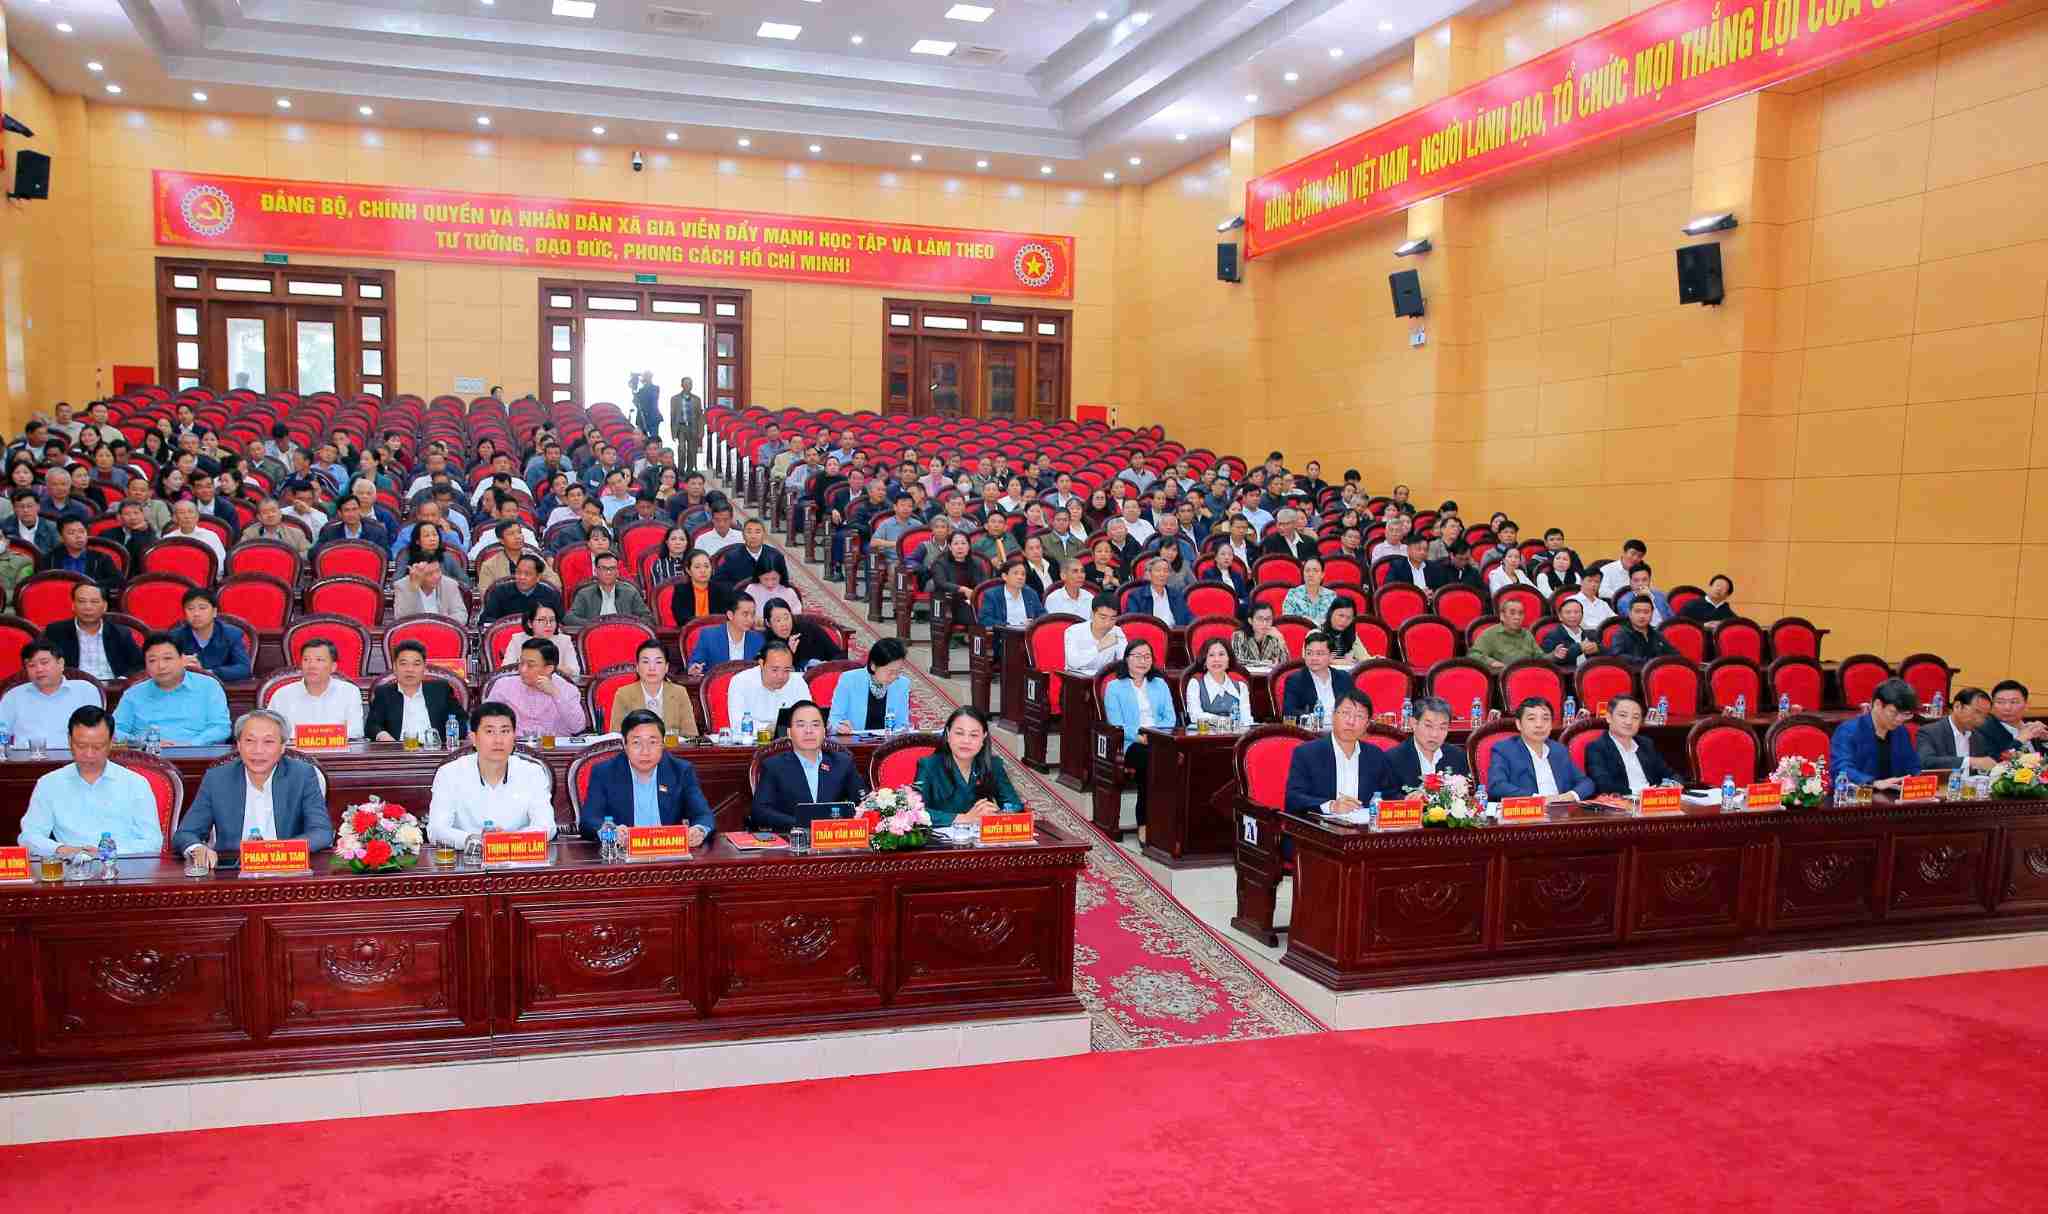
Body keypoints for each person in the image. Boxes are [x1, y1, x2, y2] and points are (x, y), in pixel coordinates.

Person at [172, 709, 333, 868]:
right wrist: (197, 848)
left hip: (287, 870)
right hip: (232, 874)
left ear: (283, 746)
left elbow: (321, 831)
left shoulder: (302, 775)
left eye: (268, 742)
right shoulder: (217, 778)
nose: (258, 750)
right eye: (250, 741)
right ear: (239, 745)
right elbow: (185, 834)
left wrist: (277, 852)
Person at [18, 705, 161, 858]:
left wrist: (106, 853)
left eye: (98, 746)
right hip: (72, 869)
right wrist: (62, 849)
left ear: (111, 742)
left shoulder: (135, 783)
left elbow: (152, 842)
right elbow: (29, 837)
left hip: (124, 868)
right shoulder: (50, 783)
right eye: (81, 746)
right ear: (69, 741)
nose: (89, 754)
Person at [427, 702, 560, 847]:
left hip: (518, 859)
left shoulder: (533, 772)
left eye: (505, 731)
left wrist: (507, 841)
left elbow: (547, 826)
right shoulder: (449, 773)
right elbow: (436, 830)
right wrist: (475, 840)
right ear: (473, 738)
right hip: (467, 861)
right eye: (489, 732)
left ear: (514, 737)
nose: (498, 740)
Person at [578, 707, 715, 844]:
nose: (645, 751)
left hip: (669, 854)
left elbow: (703, 815)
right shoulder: (604, 773)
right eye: (636, 743)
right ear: (624, 745)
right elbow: (589, 820)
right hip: (623, 856)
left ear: (662, 744)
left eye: (653, 742)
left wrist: (699, 831)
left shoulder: (680, 771)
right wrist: (609, 833)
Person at [749, 701, 870, 832]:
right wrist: (802, 825)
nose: (809, 731)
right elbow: (760, 812)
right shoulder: (773, 766)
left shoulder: (842, 763)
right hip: (793, 841)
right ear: (789, 733)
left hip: (834, 841)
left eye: (815, 725)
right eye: (801, 725)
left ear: (824, 731)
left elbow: (863, 803)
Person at [1103, 640, 1176, 829]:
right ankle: (1145, 824)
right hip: (1130, 743)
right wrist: (1138, 736)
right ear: (1126, 659)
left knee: (1170, 762)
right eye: (1137, 656)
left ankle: (1169, 824)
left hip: (1159, 739)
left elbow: (1170, 718)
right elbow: (1116, 723)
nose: (1142, 661)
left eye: (1147, 656)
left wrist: (1154, 735)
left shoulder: (1159, 684)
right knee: (1149, 763)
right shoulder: (1114, 687)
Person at [1284, 689, 1390, 816]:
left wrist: (1409, 798)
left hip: (1363, 831)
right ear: (1333, 716)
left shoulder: (1375, 755)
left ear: (1367, 724)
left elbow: (1388, 794)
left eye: (1359, 716)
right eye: (1345, 713)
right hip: (1321, 830)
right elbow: (1293, 799)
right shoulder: (1307, 753)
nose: (1351, 721)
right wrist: (1331, 806)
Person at [913, 706, 1023, 826]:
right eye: (959, 733)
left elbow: (1014, 804)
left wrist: (999, 814)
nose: (966, 741)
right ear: (948, 734)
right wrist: (964, 818)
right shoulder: (929, 765)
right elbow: (915, 812)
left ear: (983, 738)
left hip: (979, 838)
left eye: (974, 735)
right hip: (940, 840)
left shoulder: (993, 764)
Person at [0, 640, 104, 749]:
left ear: (61, 663)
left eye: (44, 662)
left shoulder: (85, 690)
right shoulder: (13, 696)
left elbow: (98, 732)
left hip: (75, 761)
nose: (39, 669)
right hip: (25, 763)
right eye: (31, 665)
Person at [1487, 698, 1593, 800]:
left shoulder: (1559, 750)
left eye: (1545, 719)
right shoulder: (1504, 750)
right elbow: (1497, 786)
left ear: (1551, 724)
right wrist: (1538, 800)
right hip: (1527, 814)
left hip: (1561, 813)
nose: (1539, 725)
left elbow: (1586, 783)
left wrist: (1569, 796)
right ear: (1519, 724)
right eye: (1531, 719)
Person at [367, 639, 467, 743]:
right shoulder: (384, 693)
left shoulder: (441, 690)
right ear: (395, 668)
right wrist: (382, 735)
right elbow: (372, 725)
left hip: (436, 751)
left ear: (424, 668)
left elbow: (461, 720)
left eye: (416, 664)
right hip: (399, 753)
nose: (410, 669)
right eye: (403, 664)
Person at [1829, 678, 1923, 790]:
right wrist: (1873, 783)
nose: (1899, 719)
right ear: (1878, 705)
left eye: (1906, 714)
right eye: (1894, 713)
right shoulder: (1849, 731)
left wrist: (1922, 782)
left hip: (1893, 798)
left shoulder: (1901, 731)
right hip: (1859, 798)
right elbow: (1841, 769)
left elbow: (1912, 766)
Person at [266, 638, 365, 741]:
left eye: (319, 660)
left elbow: (356, 731)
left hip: (336, 754)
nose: (312, 666)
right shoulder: (282, 694)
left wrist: (308, 736)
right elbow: (269, 731)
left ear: (333, 667)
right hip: (294, 755)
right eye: (306, 660)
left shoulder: (349, 692)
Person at [1583, 694, 1681, 796]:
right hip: (1622, 804)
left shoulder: (1646, 744)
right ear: (1609, 717)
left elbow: (1671, 774)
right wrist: (1643, 793)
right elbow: (1603, 785)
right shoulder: (1596, 748)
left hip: (1654, 802)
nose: (1629, 722)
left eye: (1636, 717)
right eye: (1623, 715)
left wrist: (1672, 785)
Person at [486, 637, 587, 736]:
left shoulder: (567, 689)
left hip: (555, 750)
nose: (523, 670)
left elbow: (577, 727)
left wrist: (556, 694)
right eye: (521, 663)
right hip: (515, 749)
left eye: (530, 665)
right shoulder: (503, 685)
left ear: (548, 669)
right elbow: (484, 720)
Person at [46, 582, 143, 681]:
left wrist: (122, 680)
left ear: (105, 606)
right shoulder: (56, 632)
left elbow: (139, 665)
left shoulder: (120, 633)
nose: (88, 607)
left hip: (113, 687)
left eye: (94, 602)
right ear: (73, 605)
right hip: (74, 687)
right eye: (82, 601)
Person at [1379, 696, 1469, 796]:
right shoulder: (1393, 758)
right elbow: (1387, 796)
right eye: (1428, 726)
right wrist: (1407, 801)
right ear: (1413, 723)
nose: (1435, 734)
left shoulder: (1458, 756)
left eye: (1442, 728)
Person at [607, 639, 699, 736]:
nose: (652, 668)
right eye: (646, 662)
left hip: (673, 749)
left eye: (658, 662)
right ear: (637, 667)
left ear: (666, 667)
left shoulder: (679, 692)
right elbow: (616, 736)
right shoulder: (624, 694)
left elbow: (691, 735)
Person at [828, 638, 912, 734]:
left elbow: (902, 723)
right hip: (855, 742)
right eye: (890, 672)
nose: (894, 677)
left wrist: (901, 730)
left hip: (888, 744)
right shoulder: (849, 680)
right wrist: (840, 727)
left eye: (899, 671)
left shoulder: (902, 684)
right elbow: (834, 719)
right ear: (873, 666)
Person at [725, 640, 811, 733]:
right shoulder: (741, 682)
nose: (781, 676)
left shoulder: (797, 681)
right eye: (775, 670)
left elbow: (809, 716)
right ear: (762, 664)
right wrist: (769, 728)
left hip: (790, 743)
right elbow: (738, 724)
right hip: (753, 744)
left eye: (787, 670)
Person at [171, 588, 253, 682]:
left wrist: (207, 672)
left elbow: (244, 669)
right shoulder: (175, 637)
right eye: (190, 609)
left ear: (214, 612)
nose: (196, 614)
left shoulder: (231, 634)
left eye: (202, 608)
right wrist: (178, 665)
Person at [497, 600, 583, 679]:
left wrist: (547, 668)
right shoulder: (517, 640)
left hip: (556, 685)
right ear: (530, 623)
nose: (548, 625)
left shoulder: (564, 641)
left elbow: (575, 673)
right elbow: (506, 671)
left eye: (552, 620)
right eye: (542, 620)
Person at [1917, 686, 1994, 773]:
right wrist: (1969, 762)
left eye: (1985, 716)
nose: (1981, 720)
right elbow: (1926, 762)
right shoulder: (1930, 732)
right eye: (1977, 712)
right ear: (1957, 706)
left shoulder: (1979, 737)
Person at [565, 551, 654, 626]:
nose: (608, 572)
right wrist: (592, 624)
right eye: (604, 568)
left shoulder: (630, 592)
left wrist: (630, 624)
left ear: (617, 572)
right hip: (595, 636)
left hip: (624, 634)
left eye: (612, 568)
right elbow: (569, 618)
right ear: (596, 571)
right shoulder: (585, 594)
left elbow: (647, 618)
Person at [1282, 632, 1354, 720]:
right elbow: (1289, 712)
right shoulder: (1295, 680)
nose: (1313, 658)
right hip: (1312, 730)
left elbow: (1354, 706)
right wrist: (1317, 718)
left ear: (1331, 656)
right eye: (1309, 653)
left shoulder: (1344, 677)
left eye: (1319, 654)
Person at [480, 553, 565, 625]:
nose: (522, 577)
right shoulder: (499, 592)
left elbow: (559, 623)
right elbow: (487, 620)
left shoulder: (550, 595)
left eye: (527, 574)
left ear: (538, 577)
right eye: (518, 572)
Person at [687, 596, 764, 674]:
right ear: (730, 615)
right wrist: (695, 668)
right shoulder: (709, 636)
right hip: (718, 684)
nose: (750, 619)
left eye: (752, 615)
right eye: (745, 614)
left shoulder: (758, 639)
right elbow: (696, 663)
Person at [1184, 638, 1251, 729]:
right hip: (1203, 739)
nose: (1217, 659)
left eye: (1221, 654)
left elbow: (1246, 720)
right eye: (1211, 655)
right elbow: (1195, 716)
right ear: (1204, 661)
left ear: (1229, 660)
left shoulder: (1241, 687)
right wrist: (1223, 721)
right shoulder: (1195, 684)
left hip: (1236, 738)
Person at [39, 517, 122, 590]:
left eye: (82, 531)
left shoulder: (101, 558)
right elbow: (40, 584)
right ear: (61, 538)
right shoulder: (50, 559)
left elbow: (117, 580)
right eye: (71, 533)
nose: (78, 536)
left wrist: (91, 586)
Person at [1975, 680, 2046, 759]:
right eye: (2000, 702)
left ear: (2027, 705)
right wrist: (2019, 740)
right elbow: (1991, 762)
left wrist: (2045, 739)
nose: (2007, 708)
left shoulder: (2031, 728)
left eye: (2014, 702)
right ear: (1992, 705)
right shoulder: (1982, 730)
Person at [1470, 598, 1544, 673]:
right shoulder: (1490, 634)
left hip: (1529, 674)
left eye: (1520, 613)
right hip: (1505, 676)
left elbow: (1540, 657)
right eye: (1512, 613)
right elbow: (1473, 655)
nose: (1517, 617)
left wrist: (1554, 655)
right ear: (1502, 616)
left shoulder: (1527, 634)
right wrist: (1491, 662)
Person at [1063, 594, 1127, 676]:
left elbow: (1125, 661)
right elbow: (1073, 662)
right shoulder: (1073, 631)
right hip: (1077, 681)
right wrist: (1098, 647)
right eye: (1103, 617)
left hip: (1103, 681)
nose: (1107, 623)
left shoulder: (1117, 631)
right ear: (1092, 614)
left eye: (1113, 618)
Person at [394, 556, 469, 624]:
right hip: (414, 634)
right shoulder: (402, 586)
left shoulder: (450, 585)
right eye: (429, 574)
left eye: (438, 570)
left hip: (444, 632)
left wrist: (440, 622)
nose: (436, 576)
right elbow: (402, 619)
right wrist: (413, 588)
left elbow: (461, 615)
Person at [1606, 596, 1676, 663]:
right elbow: (1618, 657)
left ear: (1652, 614)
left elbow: (1674, 654)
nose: (1642, 616)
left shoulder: (1657, 634)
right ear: (1630, 614)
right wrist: (1650, 662)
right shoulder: (1620, 635)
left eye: (1646, 612)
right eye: (1637, 612)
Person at [1540, 597, 1602, 669]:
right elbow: (1545, 662)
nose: (1573, 616)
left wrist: (1598, 649)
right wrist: (1579, 648)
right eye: (1568, 612)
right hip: (1568, 677)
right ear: (1560, 616)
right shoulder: (1552, 636)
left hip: (1592, 672)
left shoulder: (1591, 634)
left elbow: (1608, 653)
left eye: (1576, 612)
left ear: (1582, 615)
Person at [1126, 555, 1188, 626]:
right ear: (1148, 574)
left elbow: (1188, 617)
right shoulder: (1136, 597)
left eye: (1166, 571)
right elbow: (1133, 623)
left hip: (1176, 634)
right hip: (1149, 635)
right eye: (1158, 570)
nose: (1162, 574)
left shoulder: (1177, 595)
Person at [1232, 602, 1290, 668]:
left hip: (1269, 677)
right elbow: (1238, 662)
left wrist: (1281, 639)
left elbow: (1285, 665)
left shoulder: (1274, 637)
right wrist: (1265, 664)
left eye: (1268, 619)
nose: (1265, 623)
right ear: (1250, 621)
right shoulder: (1239, 636)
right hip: (1247, 677)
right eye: (1260, 619)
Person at [670, 376, 705, 473]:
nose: (688, 386)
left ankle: (689, 470)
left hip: (692, 427)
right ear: (682, 385)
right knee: (681, 449)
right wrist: (673, 432)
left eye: (690, 384)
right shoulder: (675, 399)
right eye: (686, 384)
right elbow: (672, 416)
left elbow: (700, 416)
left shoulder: (697, 399)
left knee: (691, 450)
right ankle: (680, 471)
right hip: (681, 427)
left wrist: (701, 431)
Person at [1567, 566, 1617, 630]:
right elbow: (1578, 625)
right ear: (1581, 582)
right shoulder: (1571, 601)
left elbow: (1615, 619)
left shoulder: (1603, 603)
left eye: (1596, 582)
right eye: (1589, 581)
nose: (1593, 585)